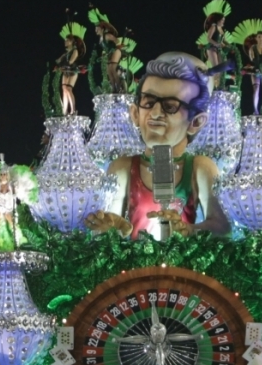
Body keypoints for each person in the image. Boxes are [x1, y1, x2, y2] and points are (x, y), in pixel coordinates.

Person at [86, 53, 229, 240]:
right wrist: (114, 226)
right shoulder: (122, 167)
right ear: (135, 113)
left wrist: (188, 230)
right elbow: (112, 227)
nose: (154, 113)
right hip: (135, 268)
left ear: (196, 122)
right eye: (148, 102)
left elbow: (221, 227)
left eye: (170, 106)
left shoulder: (200, 167)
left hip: (183, 267)